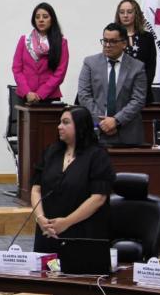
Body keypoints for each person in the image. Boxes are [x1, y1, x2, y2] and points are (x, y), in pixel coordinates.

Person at [32, 106, 115, 254]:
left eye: (65, 122)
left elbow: (98, 198)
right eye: (59, 122)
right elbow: (36, 189)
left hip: (82, 233)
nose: (59, 127)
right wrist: (40, 218)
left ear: (80, 126)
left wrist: (66, 222)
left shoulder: (97, 156)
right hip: (48, 231)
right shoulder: (52, 152)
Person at [77, 23, 147, 145]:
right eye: (105, 41)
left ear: (124, 43)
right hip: (97, 131)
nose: (107, 45)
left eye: (113, 41)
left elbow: (138, 100)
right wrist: (103, 122)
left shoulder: (137, 67)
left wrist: (116, 121)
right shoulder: (90, 63)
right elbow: (84, 95)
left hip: (127, 133)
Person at [12, 2, 69, 104]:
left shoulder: (61, 42)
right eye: (37, 17)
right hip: (25, 97)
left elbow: (60, 72)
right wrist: (27, 92)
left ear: (52, 19)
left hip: (50, 96)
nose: (41, 20)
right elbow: (17, 69)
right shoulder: (24, 40)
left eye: (45, 17)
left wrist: (40, 94)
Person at [113, 0, 157, 102]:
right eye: (122, 12)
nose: (125, 15)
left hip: (142, 94)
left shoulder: (147, 37)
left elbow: (151, 67)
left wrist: (141, 88)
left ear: (136, 14)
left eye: (129, 12)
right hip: (119, 95)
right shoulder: (113, 38)